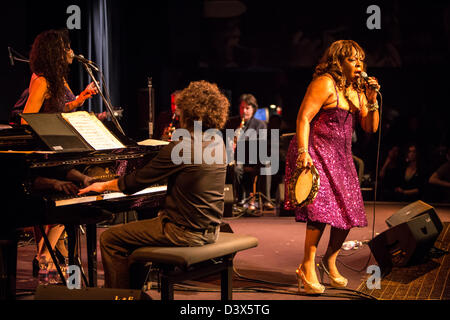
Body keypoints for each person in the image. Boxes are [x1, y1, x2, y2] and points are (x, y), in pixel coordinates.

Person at [78, 80, 230, 289]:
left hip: (182, 232)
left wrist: (102, 186)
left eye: (179, 111)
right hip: (210, 229)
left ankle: (121, 298)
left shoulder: (181, 147)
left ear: (188, 112)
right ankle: (135, 290)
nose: (176, 115)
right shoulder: (218, 142)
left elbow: (135, 182)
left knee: (110, 238)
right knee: (137, 235)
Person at [284, 40, 380, 294]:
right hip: (315, 150)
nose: (359, 64)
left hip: (341, 156)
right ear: (338, 62)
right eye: (352, 59)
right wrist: (304, 153)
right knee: (321, 210)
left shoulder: (358, 91)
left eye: (361, 59)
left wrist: (372, 100)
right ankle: (307, 265)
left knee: (349, 212)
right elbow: (303, 117)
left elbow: (370, 127)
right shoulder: (324, 83)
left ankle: (329, 260)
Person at [21, 29, 98, 125]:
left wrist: (78, 100)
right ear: (55, 53)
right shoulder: (42, 81)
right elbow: (26, 121)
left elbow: (58, 109)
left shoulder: (58, 77)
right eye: (67, 48)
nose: (71, 52)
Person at [233, 93, 273, 211]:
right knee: (235, 168)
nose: (244, 111)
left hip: (256, 158)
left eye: (247, 108)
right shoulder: (234, 123)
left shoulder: (260, 124)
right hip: (240, 158)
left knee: (266, 163)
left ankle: (266, 200)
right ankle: (238, 199)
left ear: (253, 109)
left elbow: (263, 145)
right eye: (242, 108)